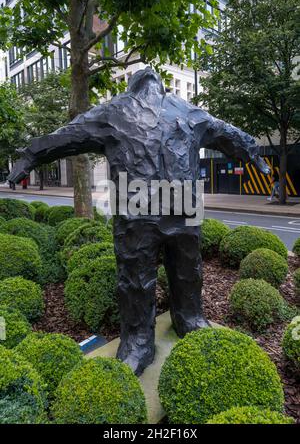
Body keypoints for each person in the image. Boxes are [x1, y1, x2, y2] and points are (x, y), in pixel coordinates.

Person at [8, 67, 270, 375]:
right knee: (140, 275)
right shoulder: (129, 110)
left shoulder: (154, 111)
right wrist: (27, 157)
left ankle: (185, 320)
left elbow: (227, 134)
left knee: (181, 270)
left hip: (166, 205)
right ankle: (139, 339)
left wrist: (28, 157)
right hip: (149, 206)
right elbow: (69, 136)